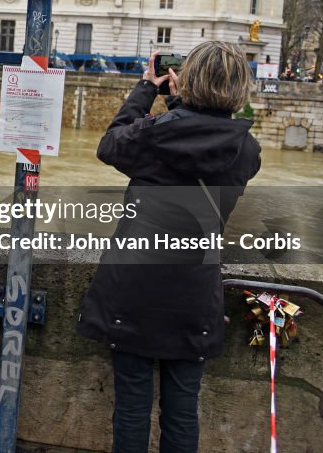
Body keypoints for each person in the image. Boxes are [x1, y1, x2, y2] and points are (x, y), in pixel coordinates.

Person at [77, 42, 261, 453]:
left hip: (135, 290)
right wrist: (183, 102)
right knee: (182, 414)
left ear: (188, 77)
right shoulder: (247, 150)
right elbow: (201, 140)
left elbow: (110, 145)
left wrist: (147, 88)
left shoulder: (156, 134)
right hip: (193, 294)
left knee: (131, 408)